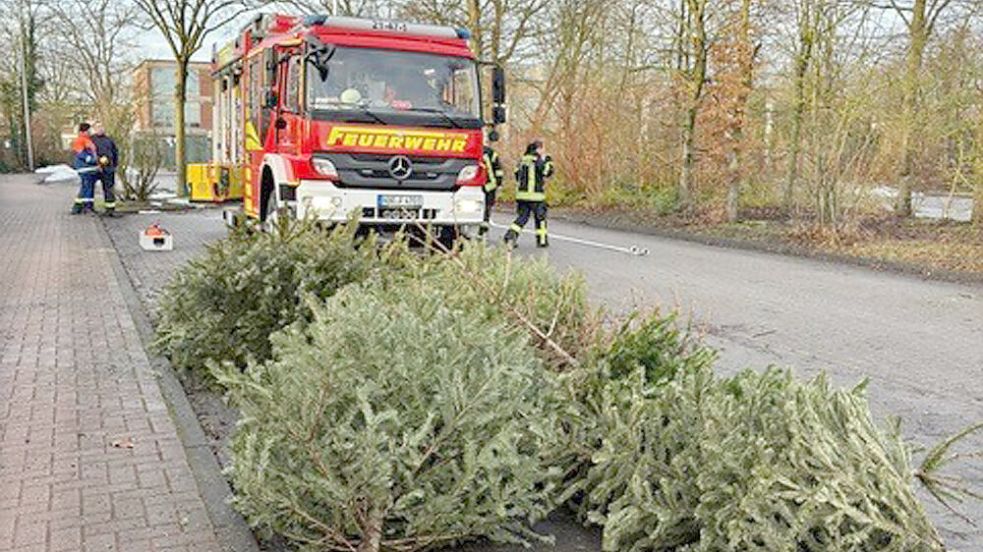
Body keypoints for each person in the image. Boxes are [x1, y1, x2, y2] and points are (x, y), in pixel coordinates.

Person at [503, 139, 554, 248]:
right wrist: (548, 161)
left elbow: (517, 175)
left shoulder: (522, 160)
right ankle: (542, 241)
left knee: (522, 217)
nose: (544, 151)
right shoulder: (537, 159)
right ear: (538, 149)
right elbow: (547, 172)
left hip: (522, 195)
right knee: (540, 219)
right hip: (536, 196)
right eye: (543, 148)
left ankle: (510, 236)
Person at [89, 123, 119, 216]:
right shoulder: (91, 140)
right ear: (94, 129)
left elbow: (115, 152)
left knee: (109, 189)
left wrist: (114, 164)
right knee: (90, 188)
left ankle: (110, 209)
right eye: (98, 128)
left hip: (108, 168)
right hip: (95, 167)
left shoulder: (109, 140)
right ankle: (89, 208)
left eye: (101, 127)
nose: (100, 129)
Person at [70, 123, 99, 215]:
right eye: (90, 130)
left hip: (90, 168)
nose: (91, 132)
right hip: (84, 167)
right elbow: (80, 153)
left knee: (86, 187)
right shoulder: (80, 140)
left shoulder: (87, 140)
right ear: (85, 131)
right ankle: (87, 207)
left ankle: (78, 207)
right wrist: (91, 159)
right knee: (87, 188)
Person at [479, 143, 504, 237]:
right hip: (490, 185)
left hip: (482, 185)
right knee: (487, 207)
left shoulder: (470, 148)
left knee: (485, 206)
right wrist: (499, 183)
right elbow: (498, 168)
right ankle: (483, 228)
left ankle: (483, 227)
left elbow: (498, 168)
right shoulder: (490, 152)